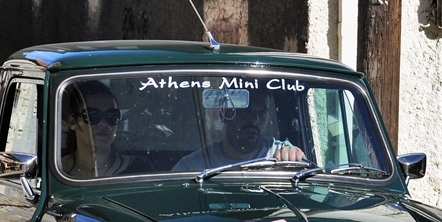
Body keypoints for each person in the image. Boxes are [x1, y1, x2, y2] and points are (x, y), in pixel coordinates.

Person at [171, 89, 304, 171]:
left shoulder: (282, 156)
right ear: (223, 113)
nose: (254, 120)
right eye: (245, 110)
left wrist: (294, 156)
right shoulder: (192, 167)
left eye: (262, 112)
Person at [61, 81, 154, 178]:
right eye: (93, 115)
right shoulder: (56, 170)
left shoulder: (140, 169)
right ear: (73, 122)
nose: (103, 123)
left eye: (111, 115)